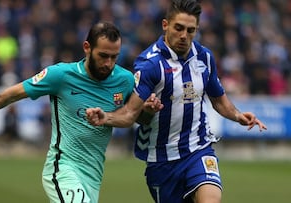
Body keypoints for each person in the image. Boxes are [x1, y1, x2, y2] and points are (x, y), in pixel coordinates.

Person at [0, 21, 160, 203]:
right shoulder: (61, 75)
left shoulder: (124, 80)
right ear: (87, 47)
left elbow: (134, 117)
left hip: (93, 174)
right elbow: (8, 95)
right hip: (62, 168)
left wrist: (148, 112)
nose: (109, 63)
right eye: (103, 55)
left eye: (114, 57)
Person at [86, 1, 268, 203]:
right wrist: (107, 117)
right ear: (165, 25)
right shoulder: (150, 64)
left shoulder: (204, 57)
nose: (184, 35)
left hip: (198, 149)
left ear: (197, 29)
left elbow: (218, 99)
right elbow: (131, 113)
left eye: (190, 30)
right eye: (178, 28)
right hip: (162, 161)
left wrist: (237, 115)